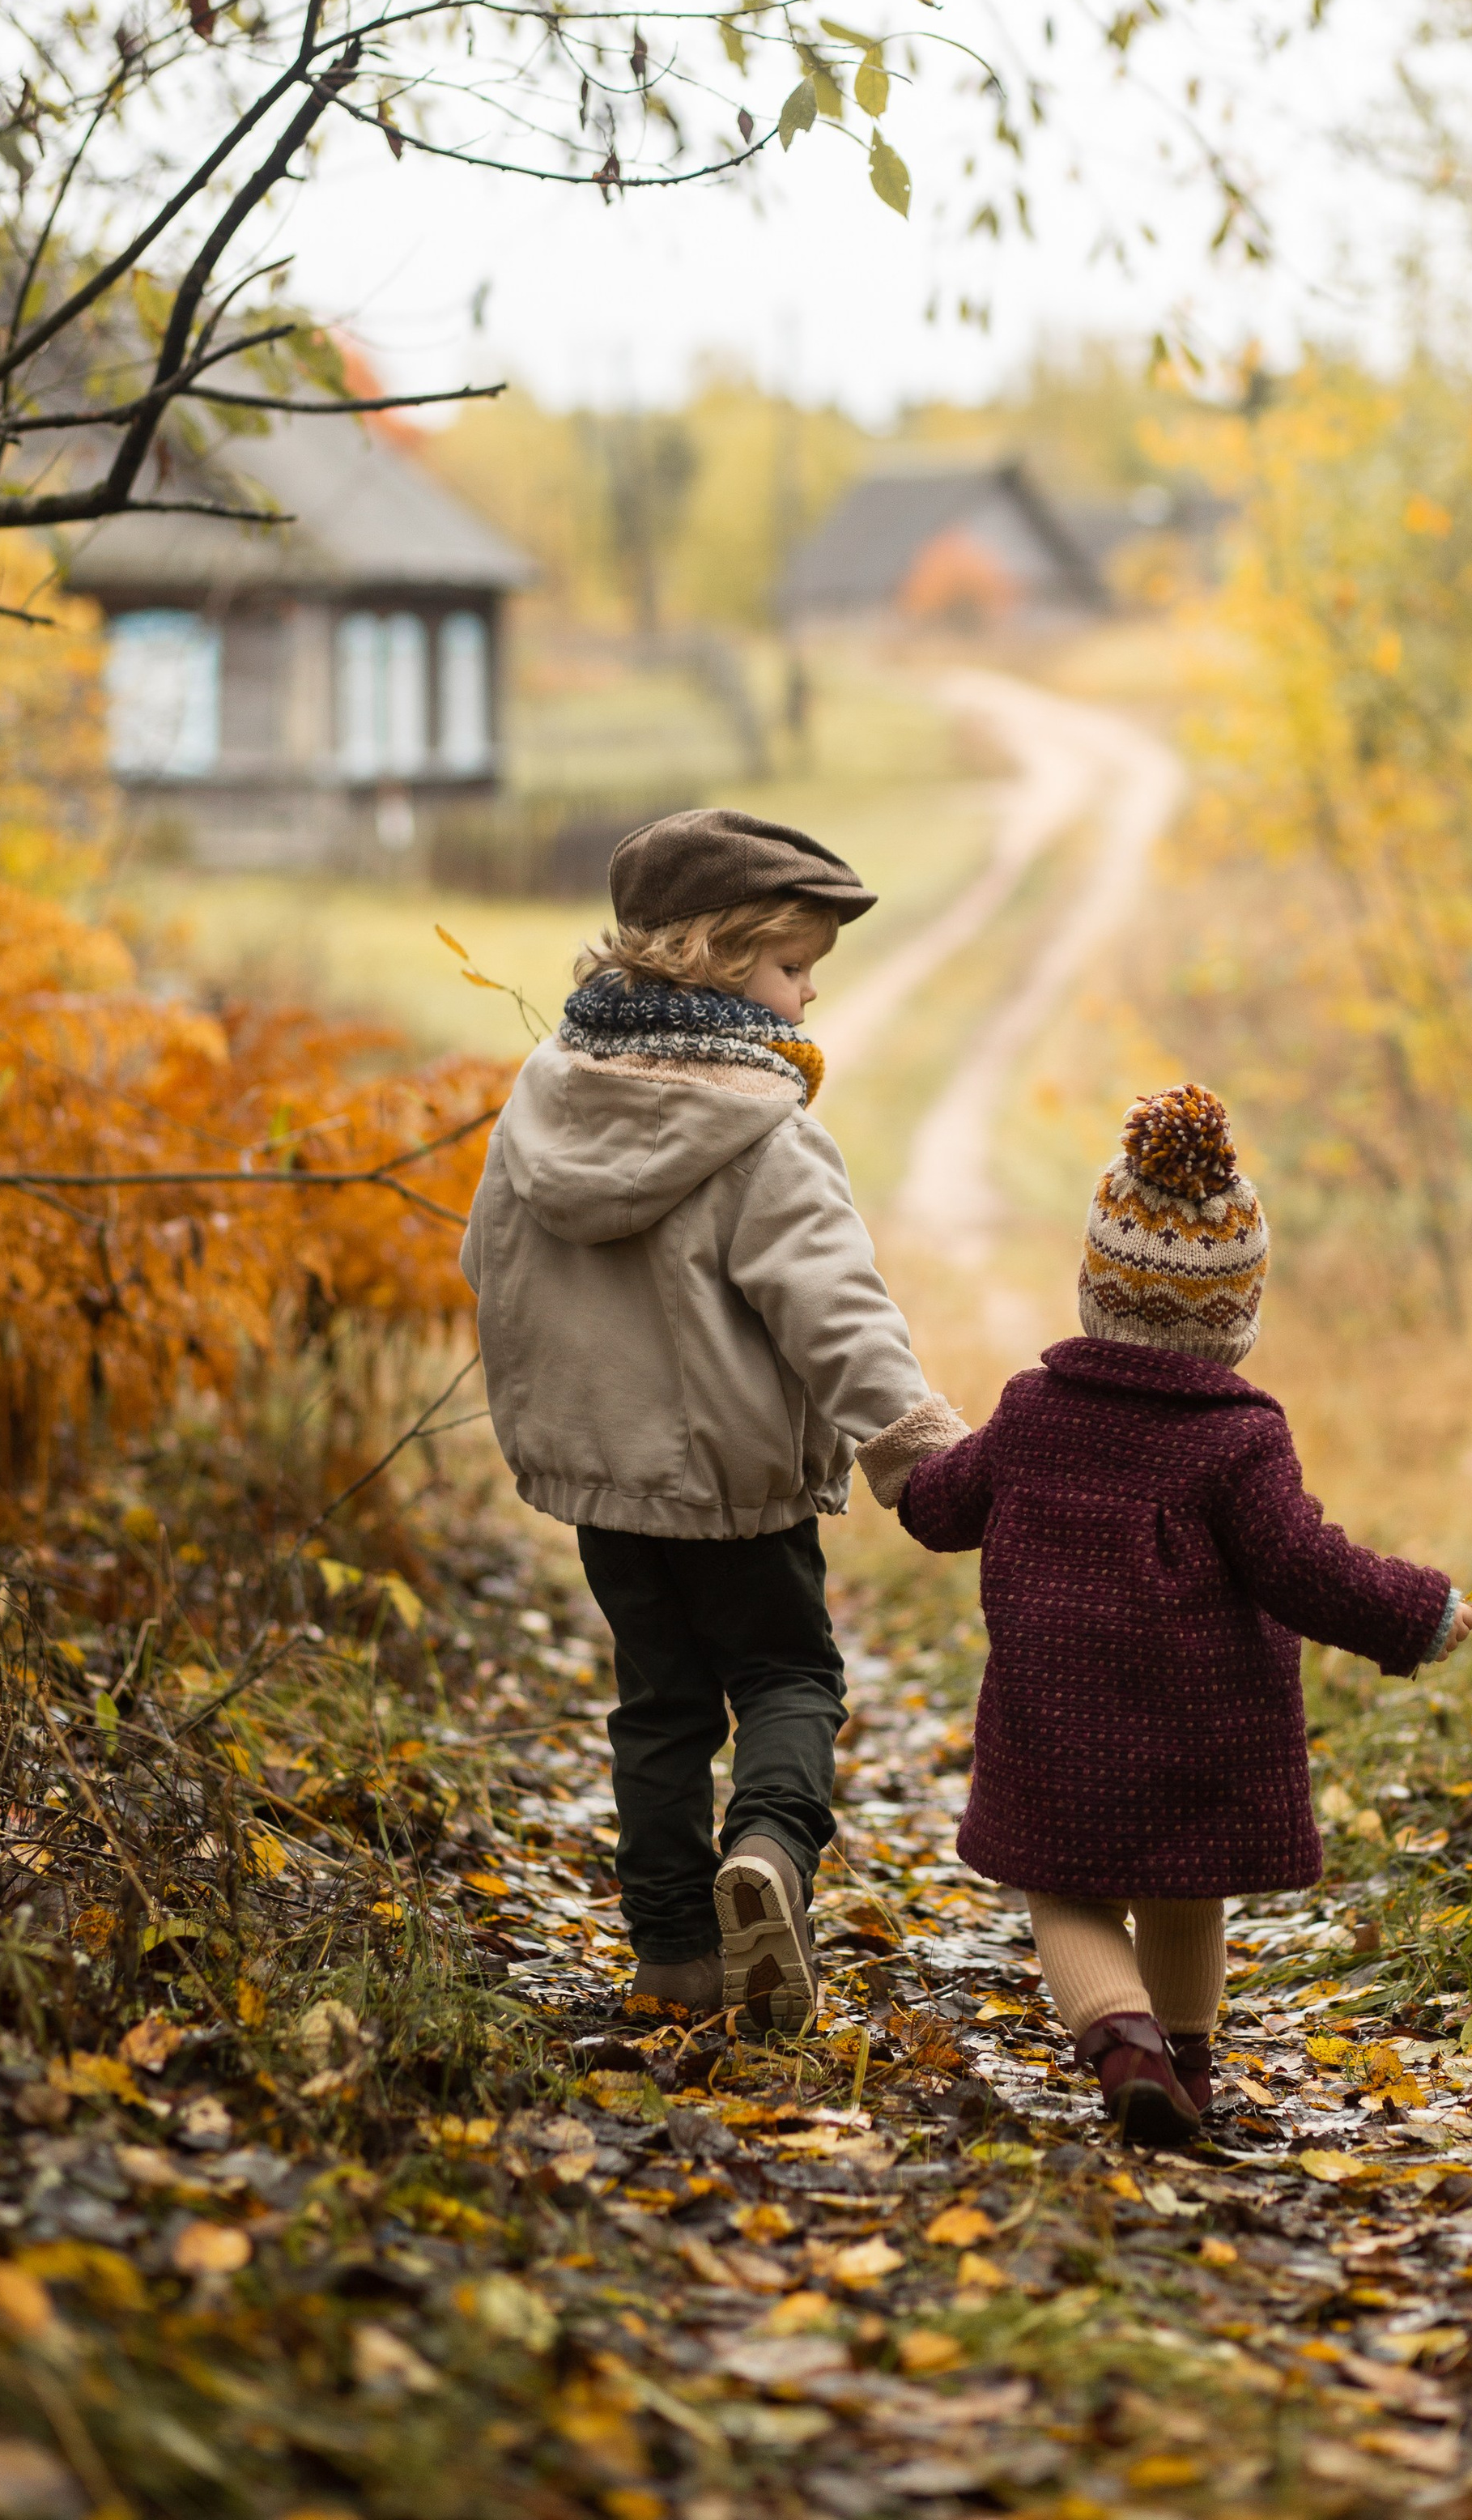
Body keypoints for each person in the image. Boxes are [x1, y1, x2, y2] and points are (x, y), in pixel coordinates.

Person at [874, 1081, 1472, 2143]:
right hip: (1202, 1735)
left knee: (1067, 1897)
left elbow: (942, 1503)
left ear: (1095, 1288)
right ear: (1238, 1316)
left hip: (1056, 1730)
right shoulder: (1240, 1441)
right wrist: (1414, 1613)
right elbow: (1307, 1568)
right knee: (1188, 1888)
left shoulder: (1030, 1412)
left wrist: (902, 1446)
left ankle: (1125, 2046)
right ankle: (1187, 2066)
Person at [462, 807, 965, 2028]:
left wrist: (546, 1418)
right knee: (790, 1672)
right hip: (733, 1491)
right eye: (794, 970)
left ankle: (675, 1957)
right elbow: (837, 1313)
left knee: (660, 1702)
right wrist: (919, 1453)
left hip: (601, 1483)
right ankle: (772, 1858)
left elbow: (489, 1264)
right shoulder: (765, 1131)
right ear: (719, 955)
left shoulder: (543, 1095)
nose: (805, 1001)